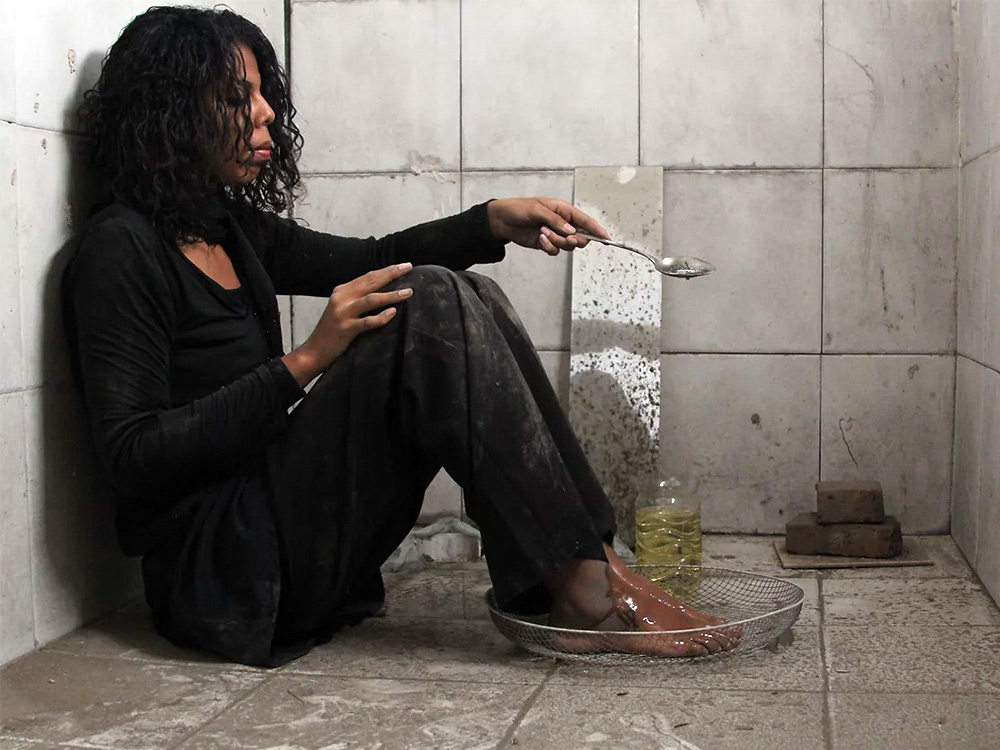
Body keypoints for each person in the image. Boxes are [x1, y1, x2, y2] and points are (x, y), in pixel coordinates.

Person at [62, 6, 737, 667]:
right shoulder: (118, 251)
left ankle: (593, 564)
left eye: (265, 93)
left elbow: (375, 255)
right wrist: (301, 364)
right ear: (173, 116)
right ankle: (585, 587)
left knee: (461, 290)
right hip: (222, 575)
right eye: (238, 97)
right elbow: (132, 456)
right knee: (434, 301)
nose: (266, 112)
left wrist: (491, 223)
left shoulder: (227, 229)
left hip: (282, 540)